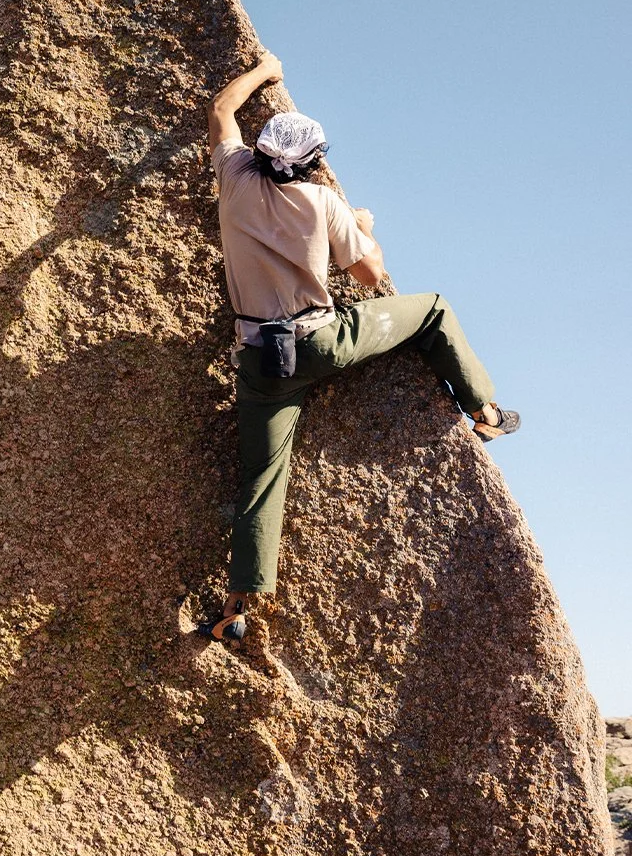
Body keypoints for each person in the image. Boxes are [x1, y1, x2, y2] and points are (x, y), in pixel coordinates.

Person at [200, 50, 519, 643]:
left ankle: (237, 607)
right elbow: (371, 277)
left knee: (261, 479)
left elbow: (222, 109)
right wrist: (363, 227)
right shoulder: (323, 203)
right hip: (321, 340)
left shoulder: (235, 176)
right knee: (434, 308)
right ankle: (486, 412)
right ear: (313, 163)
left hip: (260, 358)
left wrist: (264, 70)